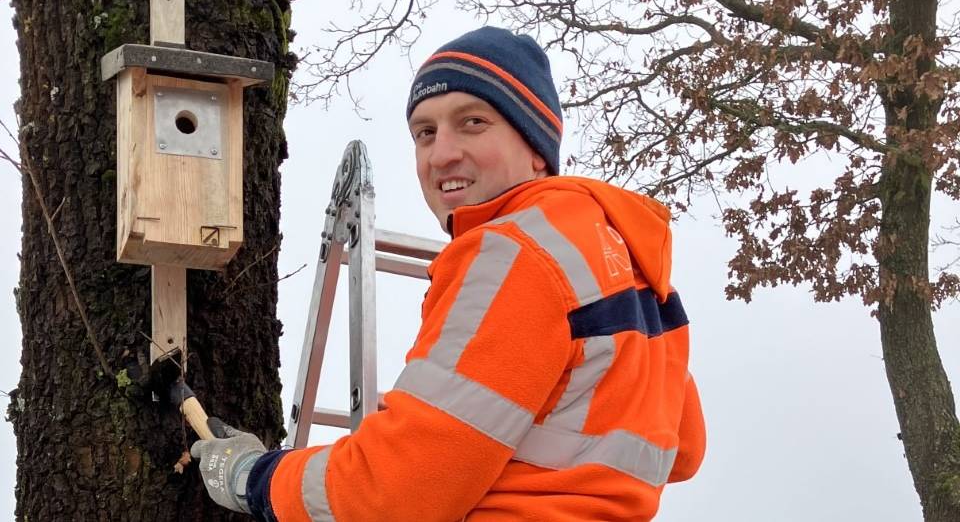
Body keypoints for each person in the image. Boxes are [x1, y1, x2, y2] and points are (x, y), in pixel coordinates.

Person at [191, 26, 706, 521]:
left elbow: (393, 492)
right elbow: (683, 450)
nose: (442, 154)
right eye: (425, 133)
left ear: (535, 147)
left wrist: (253, 478)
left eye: (473, 122)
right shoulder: (627, 261)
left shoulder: (516, 252)